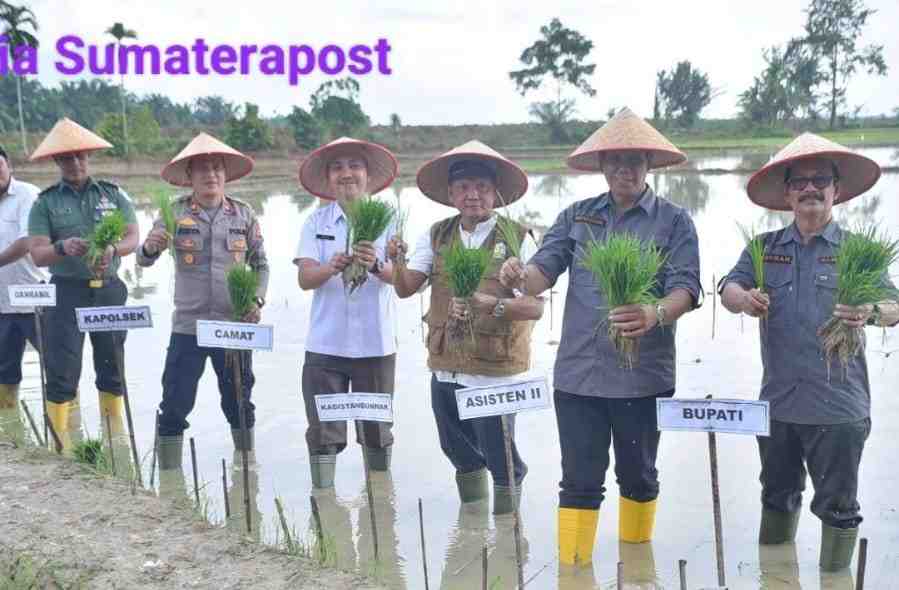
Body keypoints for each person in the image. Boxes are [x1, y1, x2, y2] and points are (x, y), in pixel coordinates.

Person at [499, 108, 702, 563]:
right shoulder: (577, 216)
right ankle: (574, 570)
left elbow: (687, 288)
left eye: (634, 160)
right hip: (579, 376)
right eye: (614, 160)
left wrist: (654, 313)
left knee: (639, 475)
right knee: (579, 479)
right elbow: (540, 274)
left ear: (649, 164)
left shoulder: (674, 221)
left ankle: (637, 566)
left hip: (642, 376)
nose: (624, 169)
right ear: (601, 165)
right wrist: (518, 273)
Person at [719, 133, 899, 571]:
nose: (810, 189)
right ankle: (775, 575)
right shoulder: (764, 249)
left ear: (837, 189)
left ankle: (833, 578)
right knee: (776, 495)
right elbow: (728, 287)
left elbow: (895, 307)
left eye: (821, 180)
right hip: (779, 404)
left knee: (838, 506)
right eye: (799, 182)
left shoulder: (858, 251)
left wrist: (870, 311)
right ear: (786, 194)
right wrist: (742, 299)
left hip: (838, 407)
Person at [389, 140, 543, 515]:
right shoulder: (438, 234)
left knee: (500, 454)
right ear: (450, 193)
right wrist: (396, 261)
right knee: (455, 447)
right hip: (446, 362)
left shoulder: (517, 237)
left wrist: (494, 304)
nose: (473, 195)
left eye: (482, 187)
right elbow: (408, 287)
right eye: (463, 187)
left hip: (494, 370)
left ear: (495, 192)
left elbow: (535, 306)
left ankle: (506, 534)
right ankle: (473, 528)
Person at [138, 133, 268, 469]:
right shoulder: (174, 213)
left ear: (225, 174)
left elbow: (261, 264)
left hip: (232, 327)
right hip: (189, 327)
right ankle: (169, 478)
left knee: (239, 403)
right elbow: (143, 258)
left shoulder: (244, 214)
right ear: (189, 177)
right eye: (202, 170)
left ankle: (246, 470)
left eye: (216, 168)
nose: (210, 175)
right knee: (175, 404)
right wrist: (151, 246)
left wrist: (256, 299)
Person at [27, 118, 139, 451]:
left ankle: (114, 440)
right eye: (67, 158)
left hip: (108, 289)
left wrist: (112, 249)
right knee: (62, 369)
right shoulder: (44, 203)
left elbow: (133, 237)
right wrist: (63, 247)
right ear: (56, 162)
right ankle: (59, 446)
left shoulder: (113, 194)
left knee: (112, 364)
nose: (75, 163)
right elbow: (37, 254)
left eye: (80, 156)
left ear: (88, 156)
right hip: (66, 293)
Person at [294, 137, 399, 488]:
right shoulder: (316, 222)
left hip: (375, 346)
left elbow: (404, 280)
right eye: (337, 168)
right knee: (323, 431)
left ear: (367, 175)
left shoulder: (390, 221)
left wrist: (376, 265)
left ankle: (380, 510)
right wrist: (331, 267)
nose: (346, 174)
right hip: (326, 347)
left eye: (354, 166)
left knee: (377, 432)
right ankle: (325, 506)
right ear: (328, 178)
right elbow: (305, 278)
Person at [0, 145, 44, 440]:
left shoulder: (28, 194)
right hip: (1, 307)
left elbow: (27, 240)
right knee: (4, 372)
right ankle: (12, 436)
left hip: (35, 300)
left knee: (57, 366)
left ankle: (69, 433)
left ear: (8, 166)